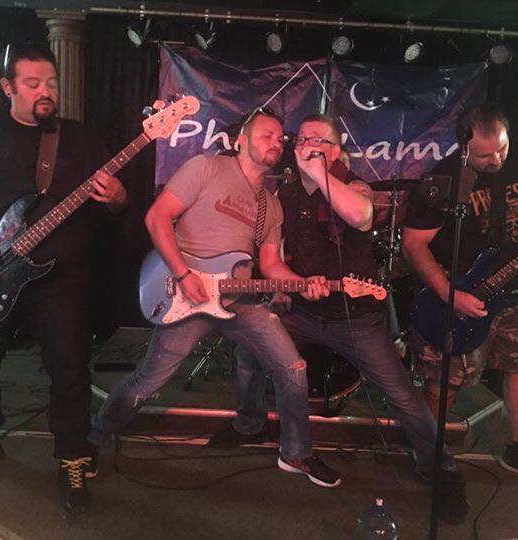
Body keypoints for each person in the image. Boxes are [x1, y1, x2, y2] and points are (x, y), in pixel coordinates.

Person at [210, 114, 469, 524]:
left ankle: (441, 470)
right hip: (303, 311)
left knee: (401, 394)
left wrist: (320, 173)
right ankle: (250, 423)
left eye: (320, 140)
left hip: (357, 319)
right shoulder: (284, 196)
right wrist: (293, 285)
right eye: (303, 138)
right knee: (250, 349)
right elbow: (274, 257)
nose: (308, 144)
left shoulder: (354, 184)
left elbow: (361, 215)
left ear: (336, 151)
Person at [0, 43, 129, 517]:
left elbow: (116, 209)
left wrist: (117, 198)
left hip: (59, 277)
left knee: (70, 368)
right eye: (32, 84)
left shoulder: (80, 139)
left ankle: (72, 458)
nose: (45, 91)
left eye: (51, 83)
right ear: (7, 87)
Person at [89, 108, 342, 488]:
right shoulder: (206, 167)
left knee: (293, 368)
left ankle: (296, 452)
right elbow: (157, 218)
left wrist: (302, 283)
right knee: (148, 382)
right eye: (267, 135)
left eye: (280, 138)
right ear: (241, 140)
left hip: (237, 299)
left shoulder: (270, 205)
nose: (277, 142)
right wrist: (183, 274)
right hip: (185, 294)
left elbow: (271, 265)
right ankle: (94, 437)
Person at [402, 104, 518, 491]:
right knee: (446, 376)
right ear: (464, 147)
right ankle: (431, 454)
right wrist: (450, 295)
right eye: (484, 155)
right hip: (465, 289)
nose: (496, 160)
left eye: (502, 149)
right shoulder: (445, 177)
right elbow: (413, 244)